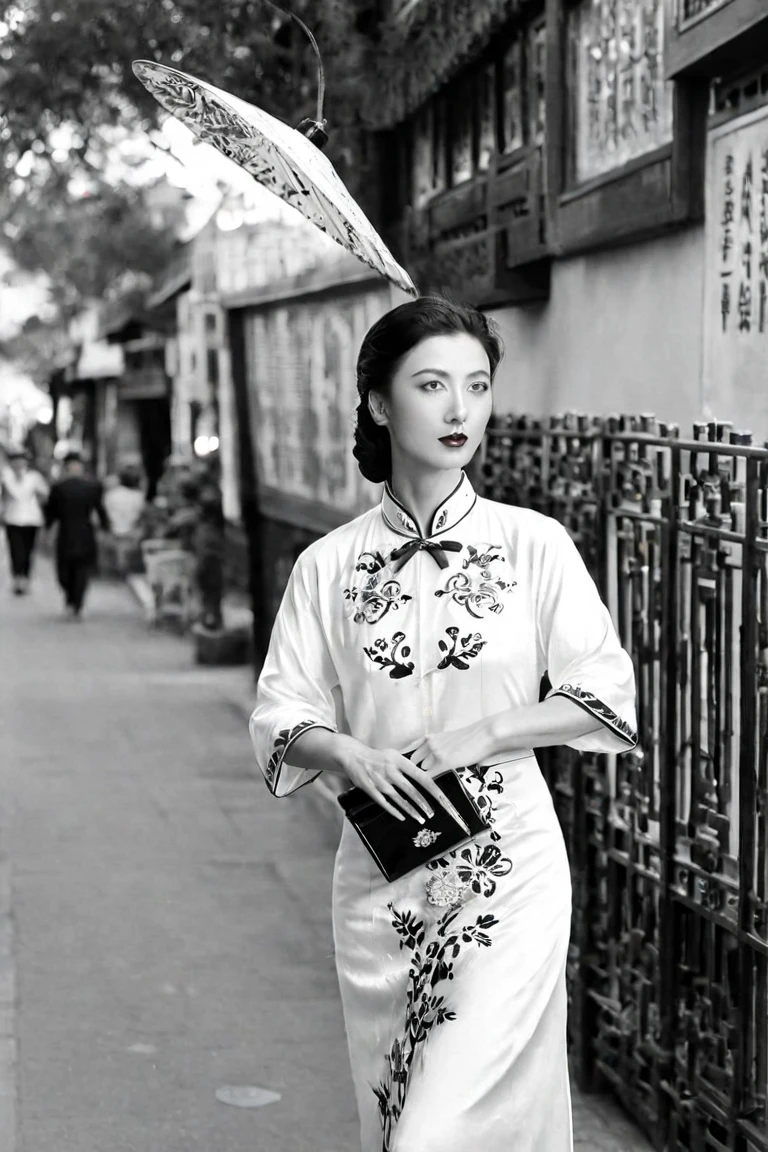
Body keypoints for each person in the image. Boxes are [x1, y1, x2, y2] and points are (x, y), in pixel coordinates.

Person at [248, 297, 637, 1152]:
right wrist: (344, 748)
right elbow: (282, 711)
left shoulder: (533, 545)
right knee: (397, 1116)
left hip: (510, 874)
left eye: (477, 385)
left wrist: (484, 734)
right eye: (432, 385)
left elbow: (603, 693)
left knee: (439, 1128)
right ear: (381, 404)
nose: (461, 409)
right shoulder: (328, 565)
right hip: (384, 881)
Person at [45, 450, 109, 618]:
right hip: (77, 532)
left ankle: (75, 603)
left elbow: (50, 514)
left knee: (75, 570)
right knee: (72, 570)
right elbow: (51, 512)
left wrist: (104, 527)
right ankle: (73, 602)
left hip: (73, 533)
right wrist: (105, 527)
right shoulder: (61, 487)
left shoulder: (87, 487)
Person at [0, 448, 49, 595]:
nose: (18, 464)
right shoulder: (5, 478)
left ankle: (25, 577)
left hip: (31, 519)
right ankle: (17, 578)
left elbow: (45, 495)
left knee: (28, 550)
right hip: (12, 518)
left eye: (21, 461)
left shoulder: (34, 477)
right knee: (15, 549)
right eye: (15, 461)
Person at [103, 466, 145, 538]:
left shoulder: (110, 494)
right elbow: (140, 516)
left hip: (113, 532)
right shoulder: (138, 496)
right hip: (132, 533)